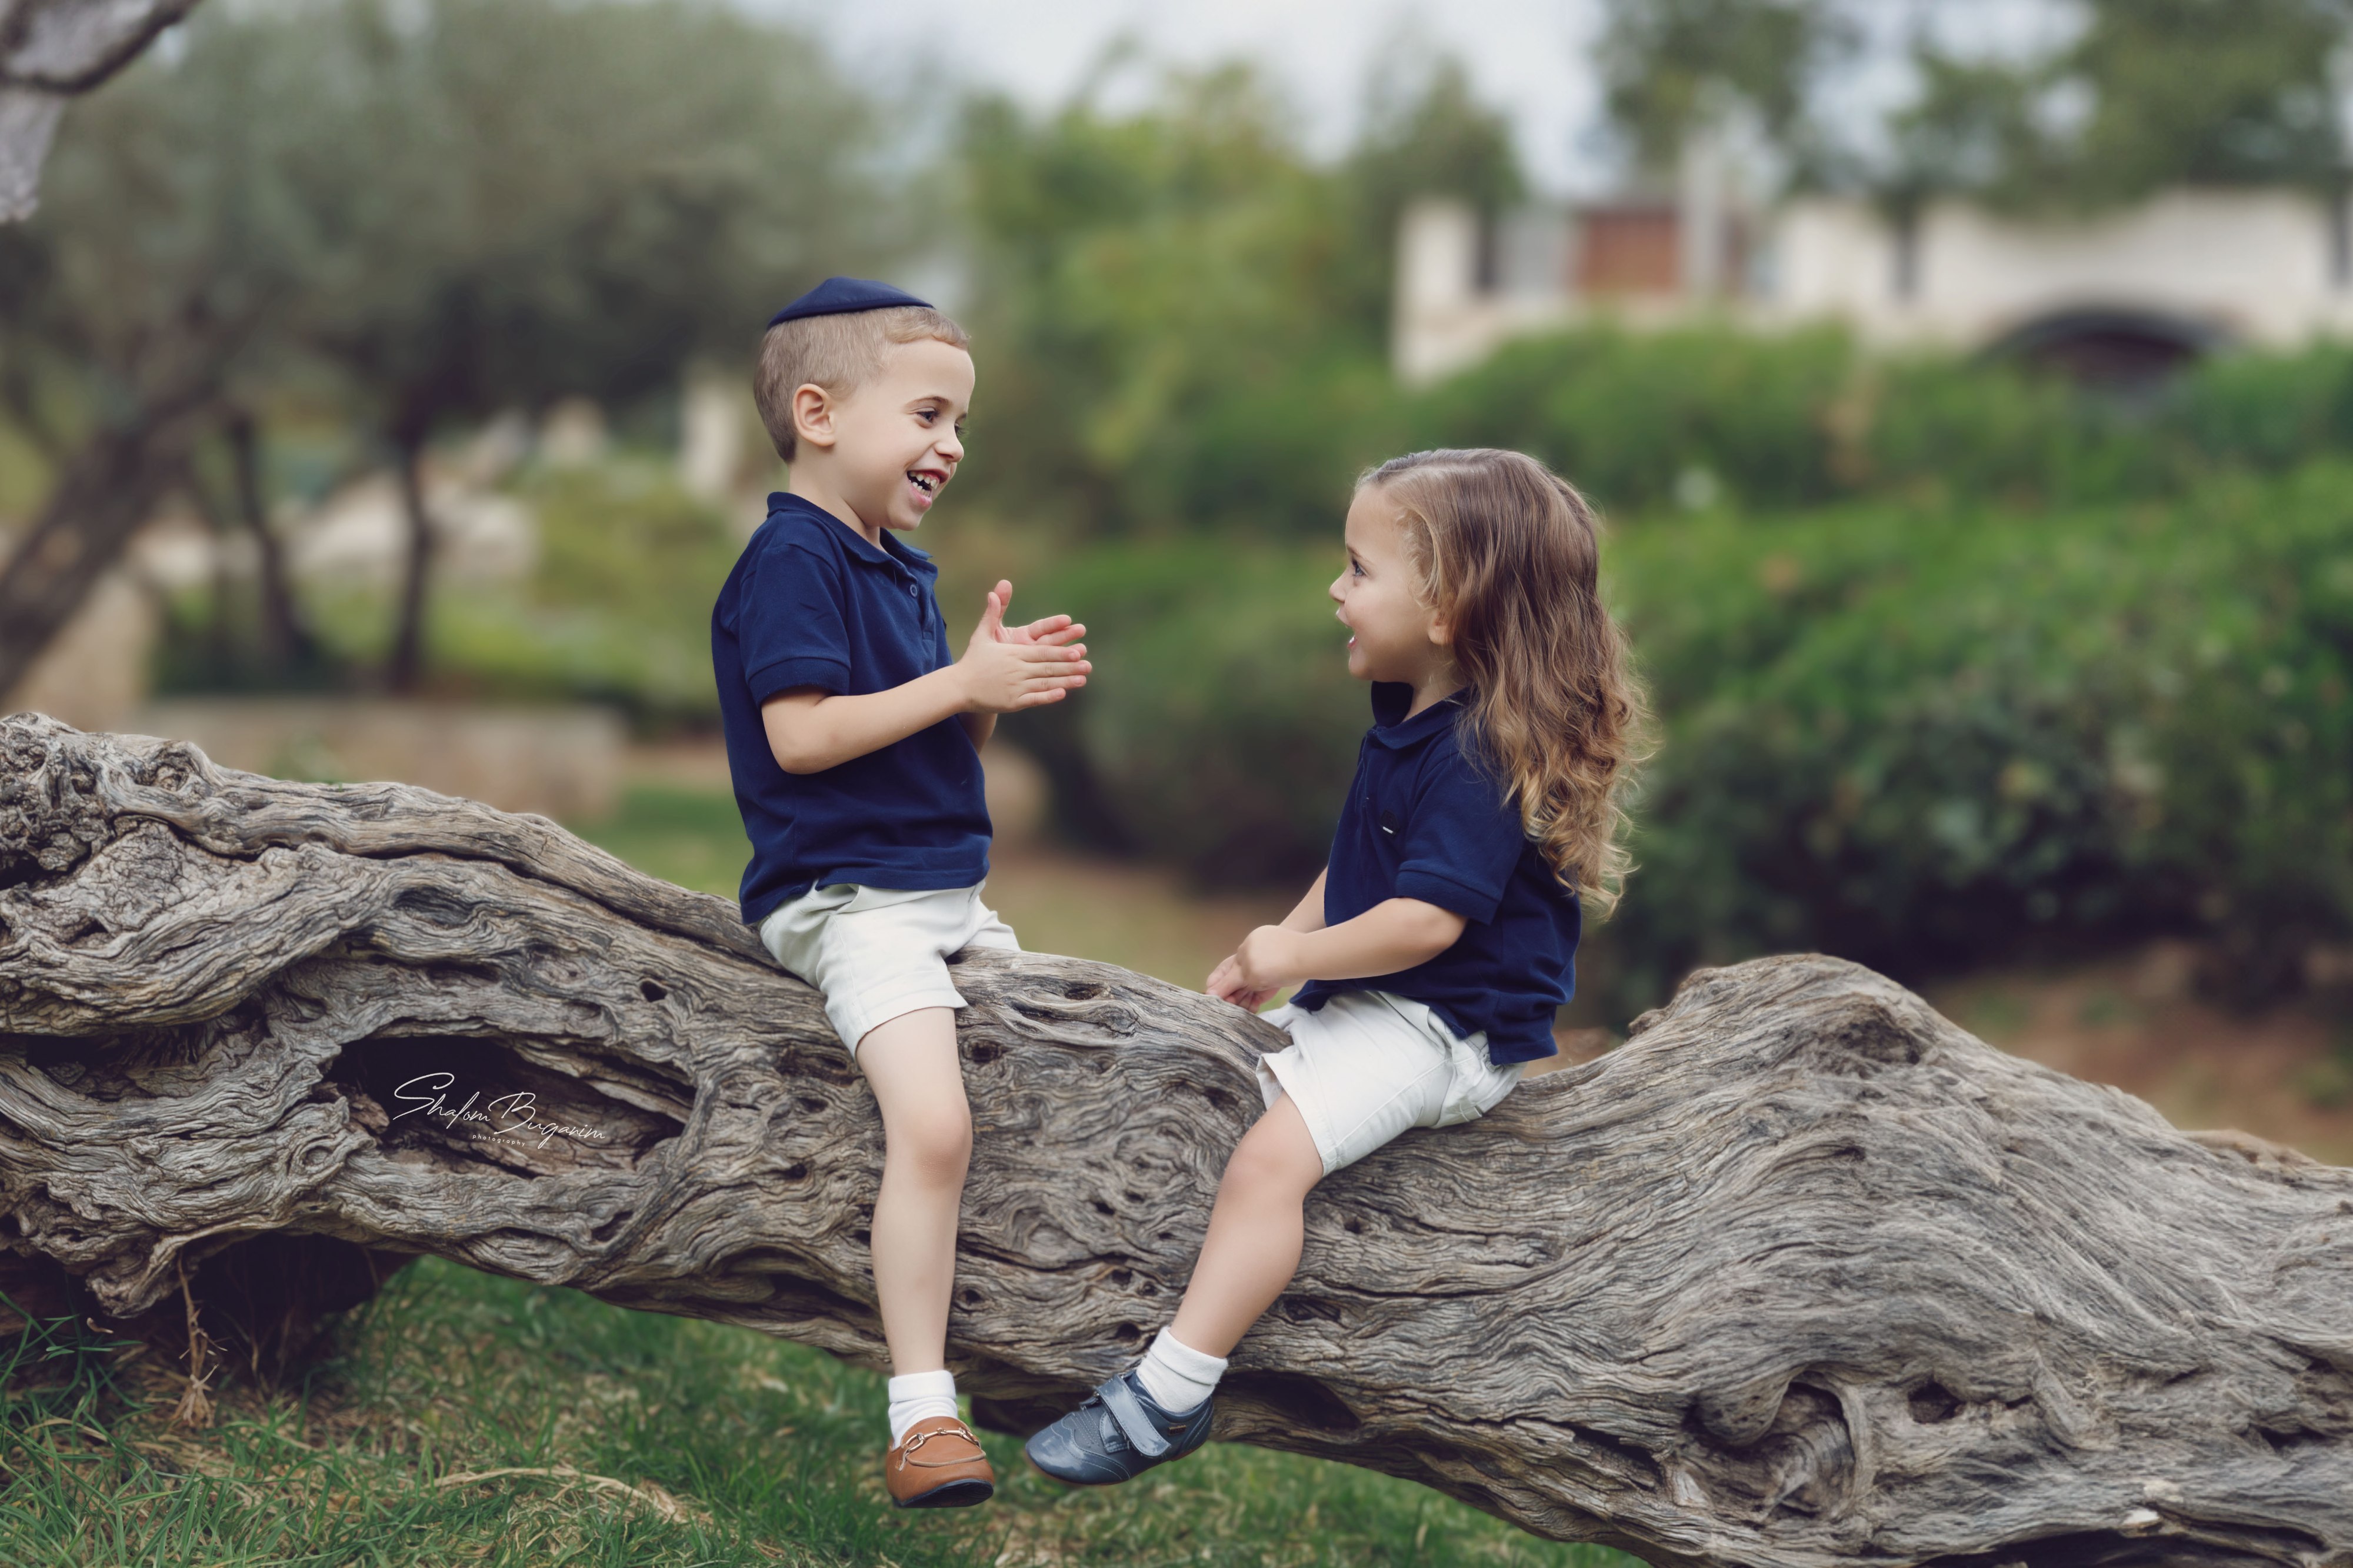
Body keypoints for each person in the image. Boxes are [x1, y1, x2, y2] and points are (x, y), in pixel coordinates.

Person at [1022, 447, 1648, 1484]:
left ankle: (1170, 1393)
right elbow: (1361, 866)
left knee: (1271, 1164)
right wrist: (1278, 948)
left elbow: (1424, 924)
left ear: (1450, 606)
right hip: (1386, 998)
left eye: (1360, 569)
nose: (1336, 589)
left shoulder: (1474, 752)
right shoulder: (1406, 718)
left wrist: (1302, 952)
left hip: (1444, 1029)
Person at [711, 276, 1091, 1508]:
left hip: (939, 894)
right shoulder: (789, 558)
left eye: (960, 424)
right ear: (817, 413)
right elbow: (805, 740)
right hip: (849, 901)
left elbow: (928, 755)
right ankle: (923, 1413)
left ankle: (1039, 1344)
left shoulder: (899, 570)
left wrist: (976, 693)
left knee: (1057, 1074)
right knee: (934, 1129)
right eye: (928, 415)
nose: (952, 446)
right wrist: (955, 682)